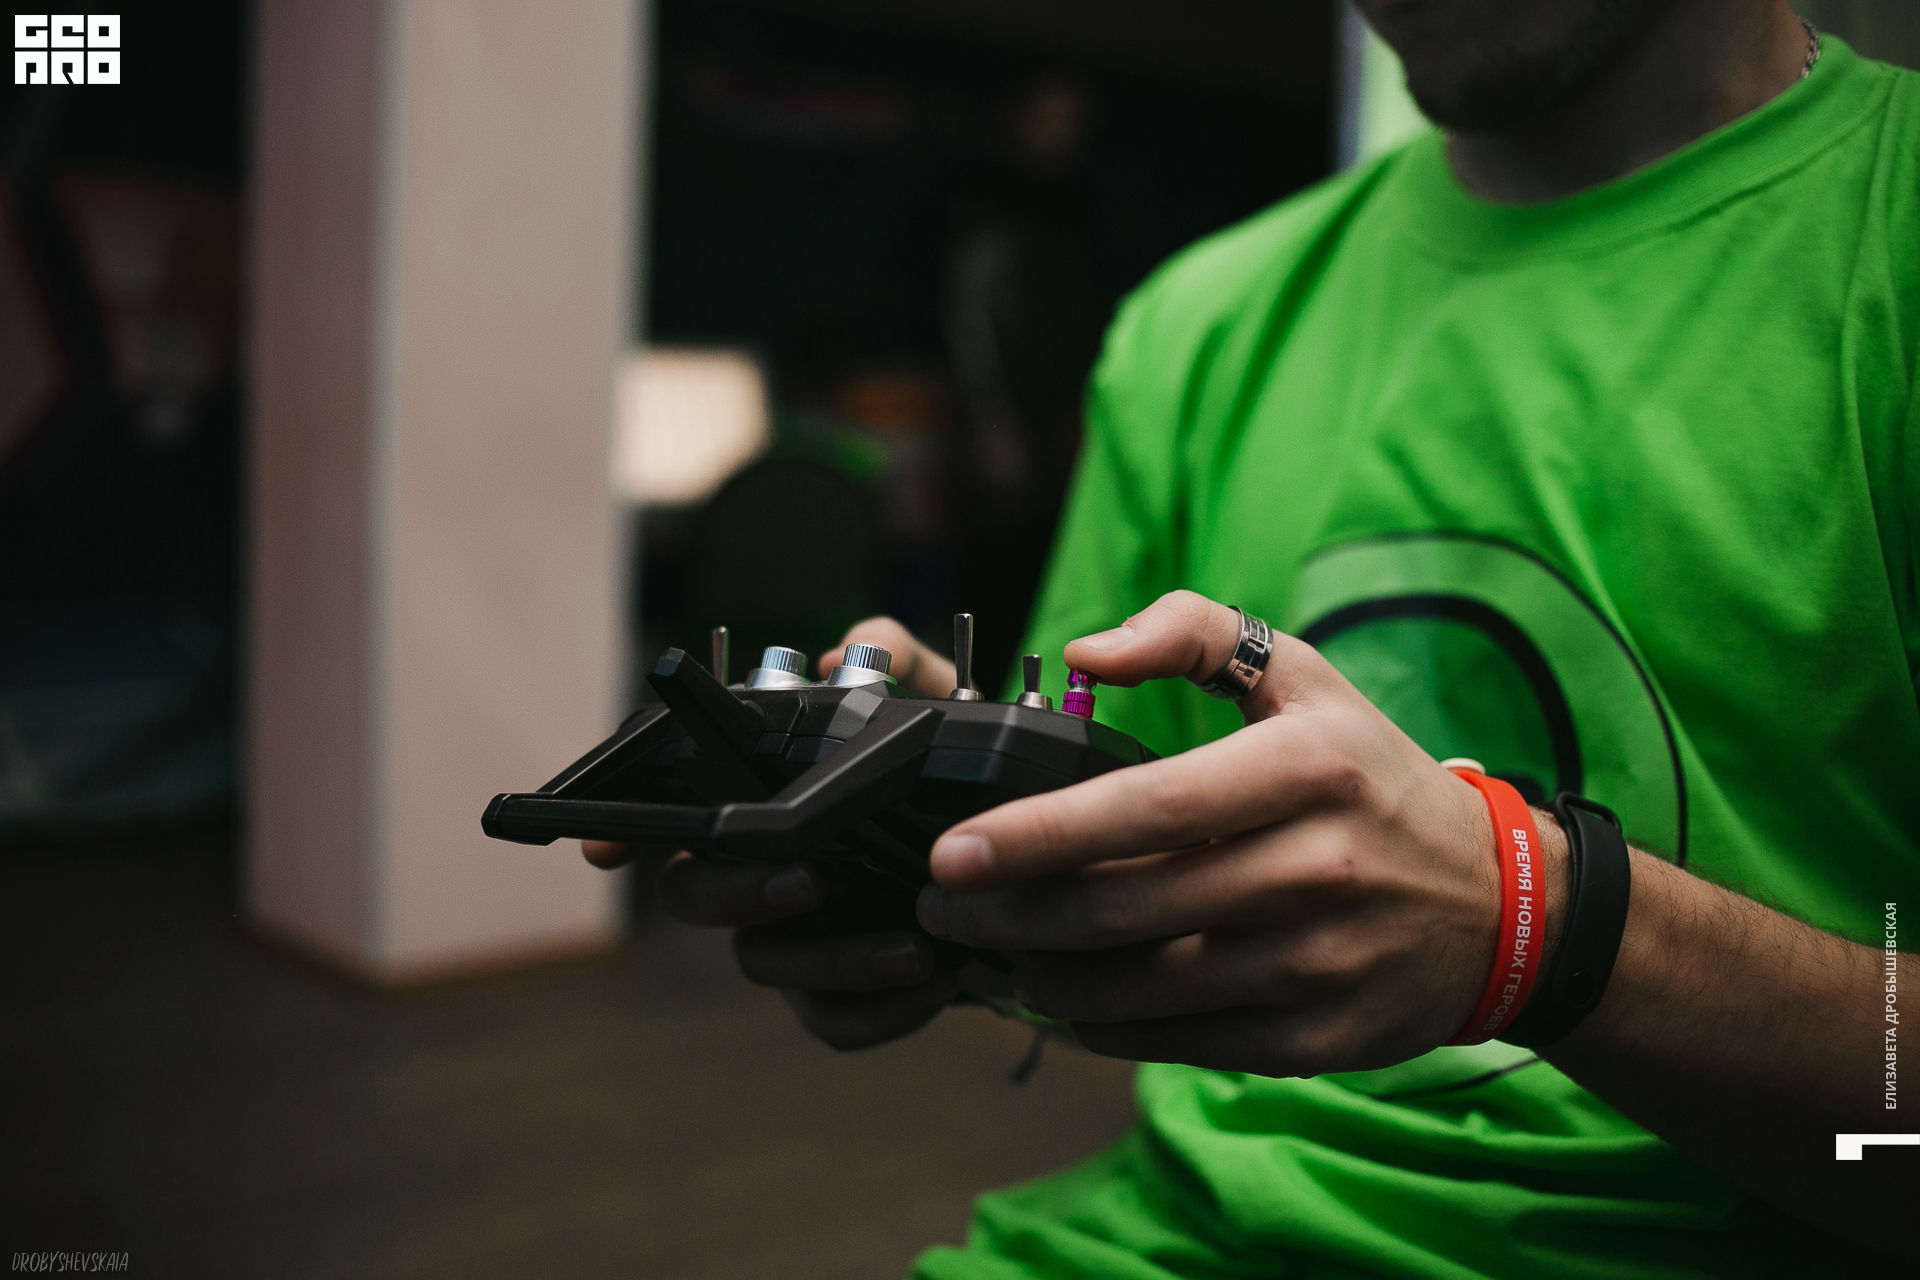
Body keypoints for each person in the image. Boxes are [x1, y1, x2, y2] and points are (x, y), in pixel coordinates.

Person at [587, 0, 1920, 1272]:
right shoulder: (1197, 322)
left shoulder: (1886, 232)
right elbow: (1157, 933)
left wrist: (1540, 928)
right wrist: (954, 900)